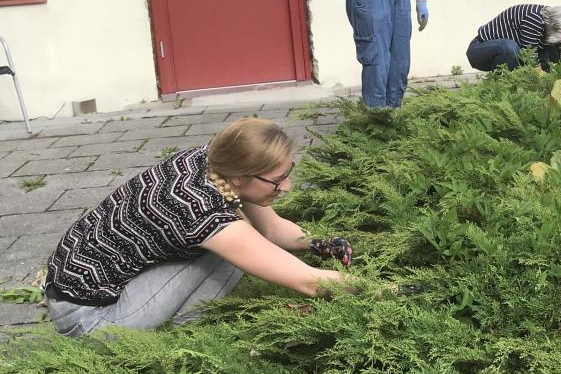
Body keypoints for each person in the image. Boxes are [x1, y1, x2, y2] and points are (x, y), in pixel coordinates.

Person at [43, 118, 354, 338]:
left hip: (73, 288)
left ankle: (181, 331)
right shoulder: (198, 210)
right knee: (233, 254)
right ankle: (182, 340)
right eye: (277, 180)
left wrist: (318, 243)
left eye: (289, 172)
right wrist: (387, 291)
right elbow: (310, 284)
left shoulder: (211, 158)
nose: (287, 187)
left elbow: (271, 228)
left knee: (242, 243)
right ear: (239, 178)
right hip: (89, 320)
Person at [466, 4, 561, 72]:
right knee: (510, 48)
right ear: (555, 27)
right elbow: (530, 58)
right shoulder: (534, 19)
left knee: (553, 53)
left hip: (508, 54)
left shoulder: (550, 23)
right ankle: (501, 87)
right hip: (479, 51)